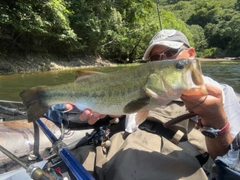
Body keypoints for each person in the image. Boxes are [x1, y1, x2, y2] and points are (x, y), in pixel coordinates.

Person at [66, 29, 240, 179]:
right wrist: (106, 110)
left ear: (191, 54)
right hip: (114, 153)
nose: (162, 61)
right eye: (156, 57)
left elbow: (227, 159)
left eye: (171, 53)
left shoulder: (221, 92)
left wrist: (215, 119)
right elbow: (124, 108)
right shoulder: (147, 85)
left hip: (167, 165)